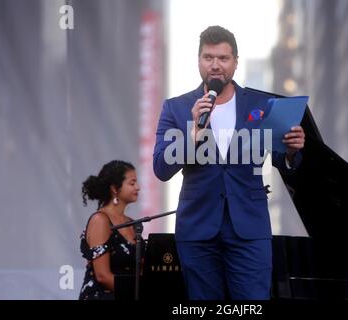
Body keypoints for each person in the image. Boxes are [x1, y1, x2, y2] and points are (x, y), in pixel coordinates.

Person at [153, 25, 305, 300]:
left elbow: (283, 161)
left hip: (249, 227)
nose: (215, 65)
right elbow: (161, 169)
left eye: (223, 58)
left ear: (235, 62)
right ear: (198, 60)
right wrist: (193, 136)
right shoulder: (176, 108)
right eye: (208, 57)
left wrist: (293, 150)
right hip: (198, 229)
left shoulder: (261, 104)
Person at [78, 160, 142, 300]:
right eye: (132, 183)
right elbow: (102, 276)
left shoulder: (132, 223)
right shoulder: (100, 220)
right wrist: (139, 293)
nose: (138, 187)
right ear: (115, 188)